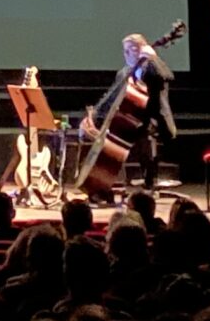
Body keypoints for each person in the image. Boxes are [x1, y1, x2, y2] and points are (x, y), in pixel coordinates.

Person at [74, 31, 175, 197]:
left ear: (139, 50)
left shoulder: (153, 67)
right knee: (110, 135)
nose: (125, 54)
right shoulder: (124, 73)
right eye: (124, 50)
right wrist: (92, 117)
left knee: (144, 136)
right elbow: (110, 98)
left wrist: (153, 57)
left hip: (151, 121)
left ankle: (149, 185)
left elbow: (167, 76)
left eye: (129, 50)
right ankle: (104, 185)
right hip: (130, 122)